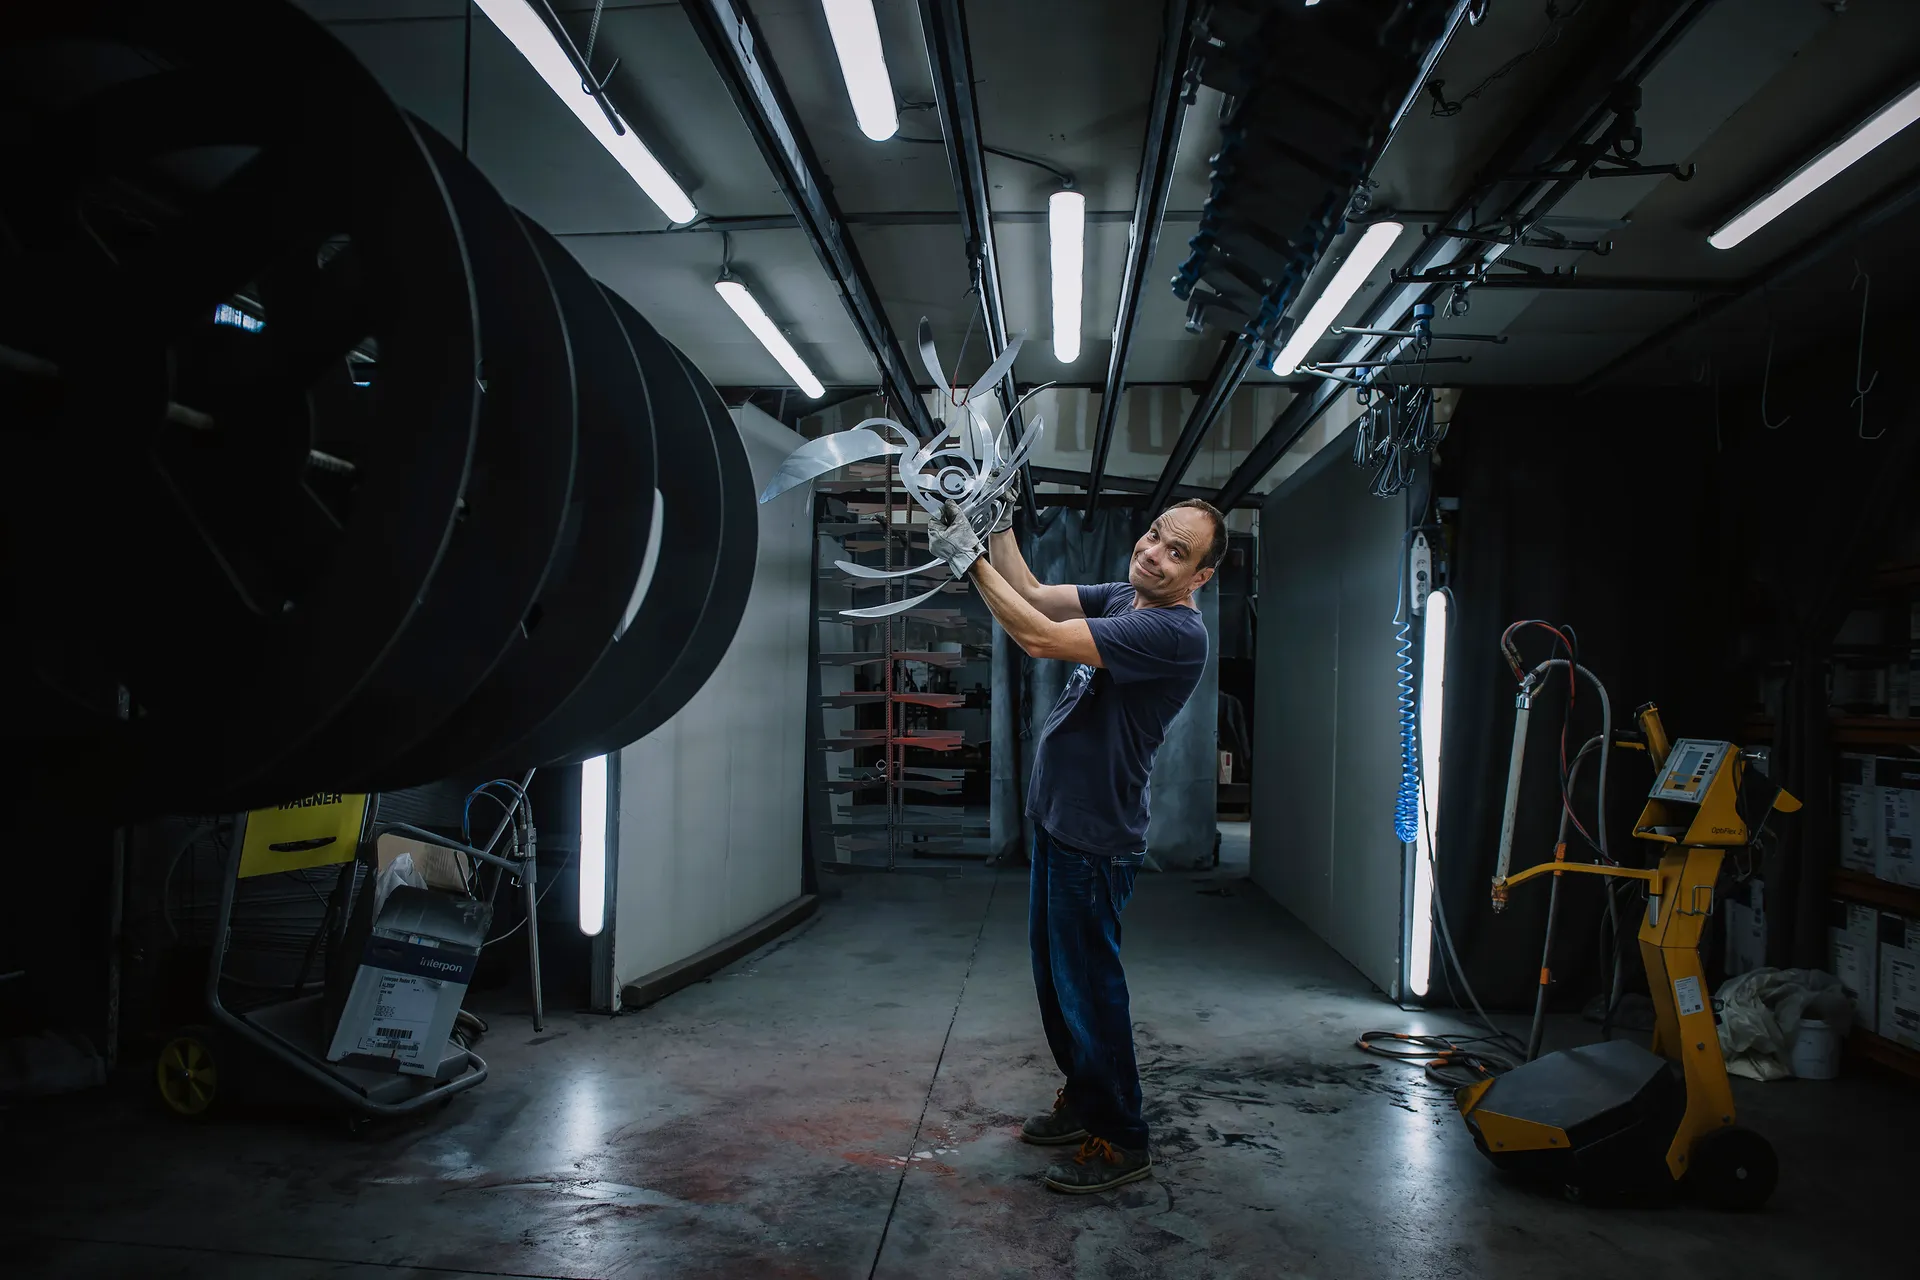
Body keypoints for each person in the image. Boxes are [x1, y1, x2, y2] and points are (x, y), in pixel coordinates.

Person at [928, 489, 1222, 1194]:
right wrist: (996, 521)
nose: (1152, 553)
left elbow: (1035, 633)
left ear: (1200, 577)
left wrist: (968, 558)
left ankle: (1123, 1136)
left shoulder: (1175, 633)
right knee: (1058, 988)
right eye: (1155, 535)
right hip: (1061, 824)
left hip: (1096, 840)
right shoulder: (1127, 597)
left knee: (1091, 991)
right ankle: (1085, 1099)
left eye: (1176, 553)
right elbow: (1030, 587)